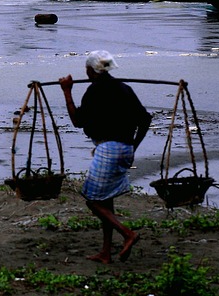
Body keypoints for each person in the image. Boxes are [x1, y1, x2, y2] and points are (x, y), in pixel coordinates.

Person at [59, 51, 152, 264]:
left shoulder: (94, 92)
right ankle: (106, 252)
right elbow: (145, 120)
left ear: (91, 71)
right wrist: (133, 146)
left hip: (109, 150)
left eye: (87, 69)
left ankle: (128, 234)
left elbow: (77, 121)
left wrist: (66, 91)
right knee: (106, 201)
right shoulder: (125, 89)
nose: (86, 72)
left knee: (92, 200)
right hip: (124, 149)